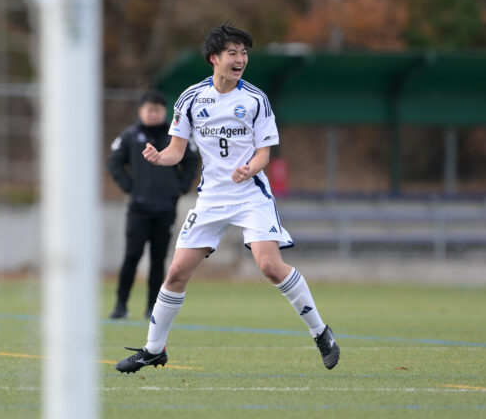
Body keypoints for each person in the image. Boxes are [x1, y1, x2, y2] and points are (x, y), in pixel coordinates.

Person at [115, 22, 340, 374]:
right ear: (214, 58)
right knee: (175, 273)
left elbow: (264, 154)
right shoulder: (191, 98)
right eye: (232, 53)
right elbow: (176, 151)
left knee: (269, 266)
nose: (240, 60)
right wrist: (160, 158)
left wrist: (250, 169)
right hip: (211, 199)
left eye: (244, 53)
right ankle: (153, 350)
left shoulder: (255, 100)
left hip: (250, 195)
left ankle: (321, 332)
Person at [108, 90, 199, 320]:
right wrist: (130, 187)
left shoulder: (175, 136)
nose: (153, 114)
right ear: (141, 111)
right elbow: (115, 162)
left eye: (157, 110)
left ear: (164, 111)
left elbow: (191, 161)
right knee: (132, 255)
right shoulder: (130, 136)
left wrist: (181, 186)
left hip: (166, 207)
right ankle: (121, 305)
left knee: (159, 259)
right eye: (149, 109)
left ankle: (152, 307)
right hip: (138, 207)